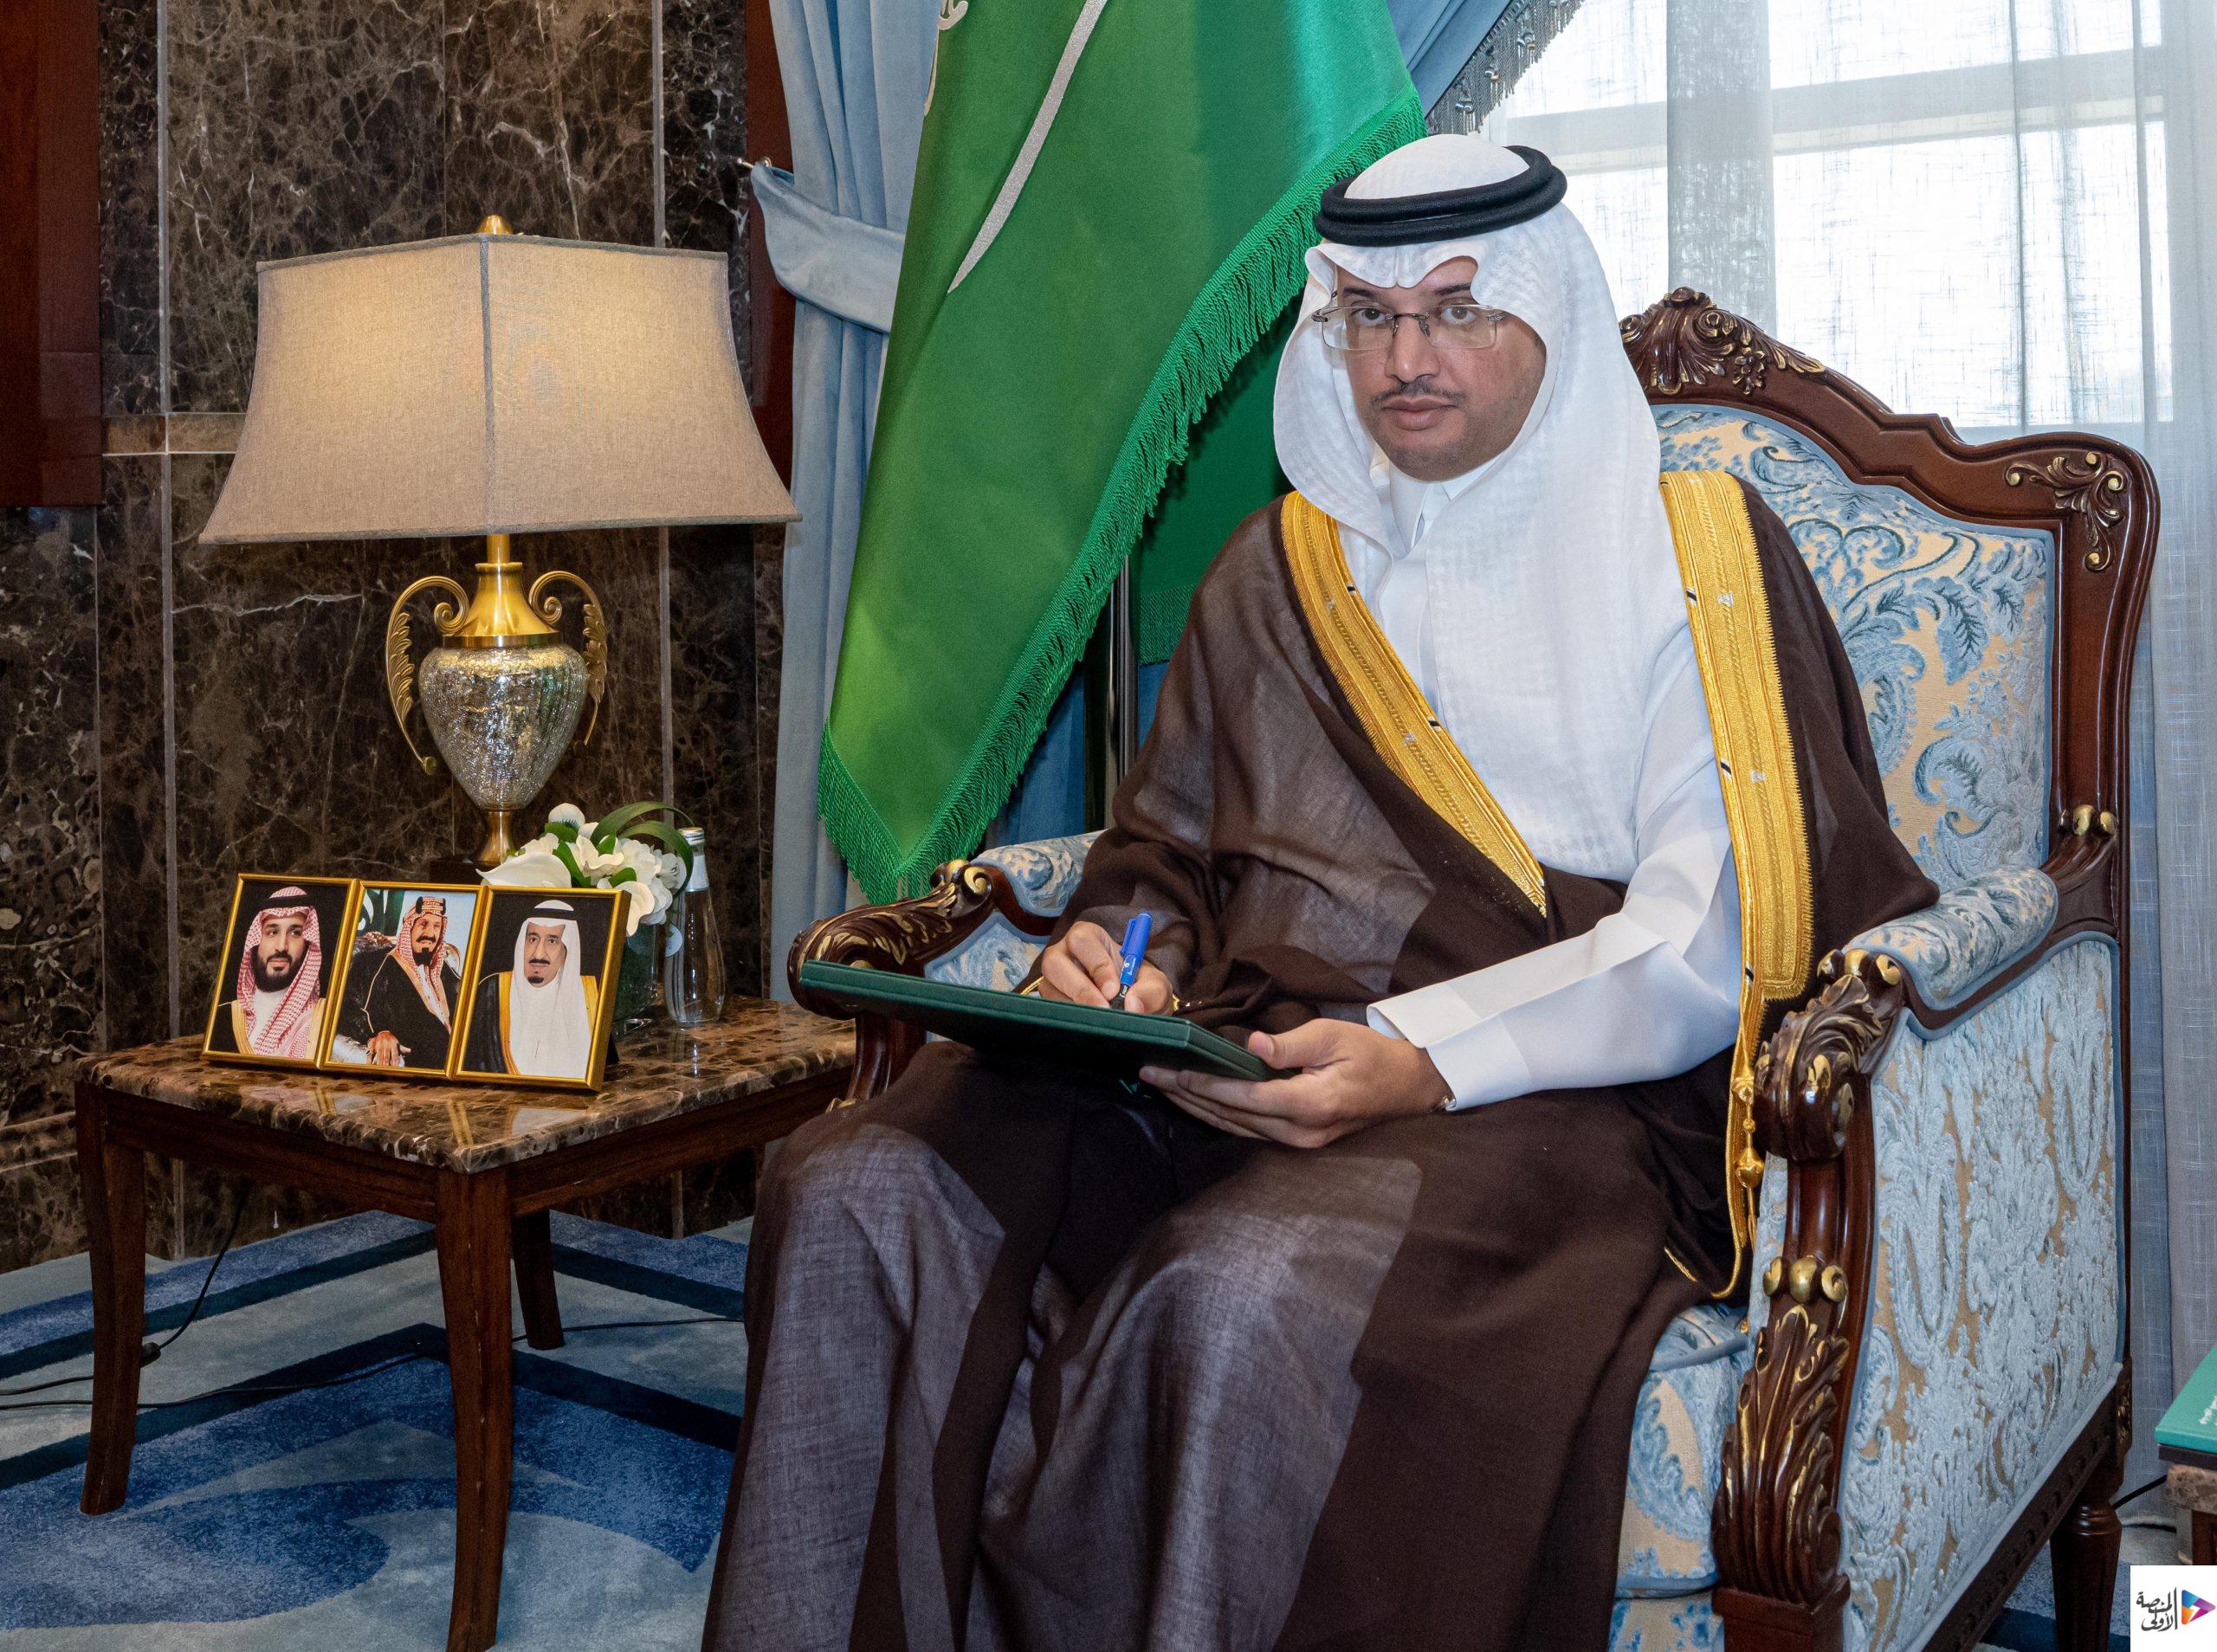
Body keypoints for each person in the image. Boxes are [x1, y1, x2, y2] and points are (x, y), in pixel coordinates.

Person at [704, 136, 1937, 1652]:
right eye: (1371, 315)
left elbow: (1703, 938)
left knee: (1239, 1296)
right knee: (850, 1185)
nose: (1408, 358)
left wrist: (1420, 1056)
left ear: (1551, 311)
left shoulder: (1696, 557)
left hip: (1546, 1097)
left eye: (1459, 310)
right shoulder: (1281, 566)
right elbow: (1164, 848)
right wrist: (1117, 952)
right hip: (1231, 1046)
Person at [461, 899, 599, 1081]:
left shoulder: (592, 996)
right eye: (533, 939)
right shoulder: (491, 991)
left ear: (567, 951)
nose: (538, 954)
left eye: (552, 941)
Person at [332, 895, 462, 1071]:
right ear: (409, 928)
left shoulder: (445, 970)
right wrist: (380, 1033)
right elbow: (348, 1008)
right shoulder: (379, 963)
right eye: (423, 924)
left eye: (437, 926)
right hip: (420, 1067)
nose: (430, 934)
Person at [208, 886, 329, 1060]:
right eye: (272, 932)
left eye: (295, 933)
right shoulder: (224, 1016)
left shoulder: (321, 1021)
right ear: (257, 940)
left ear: (308, 944)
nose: (281, 946)